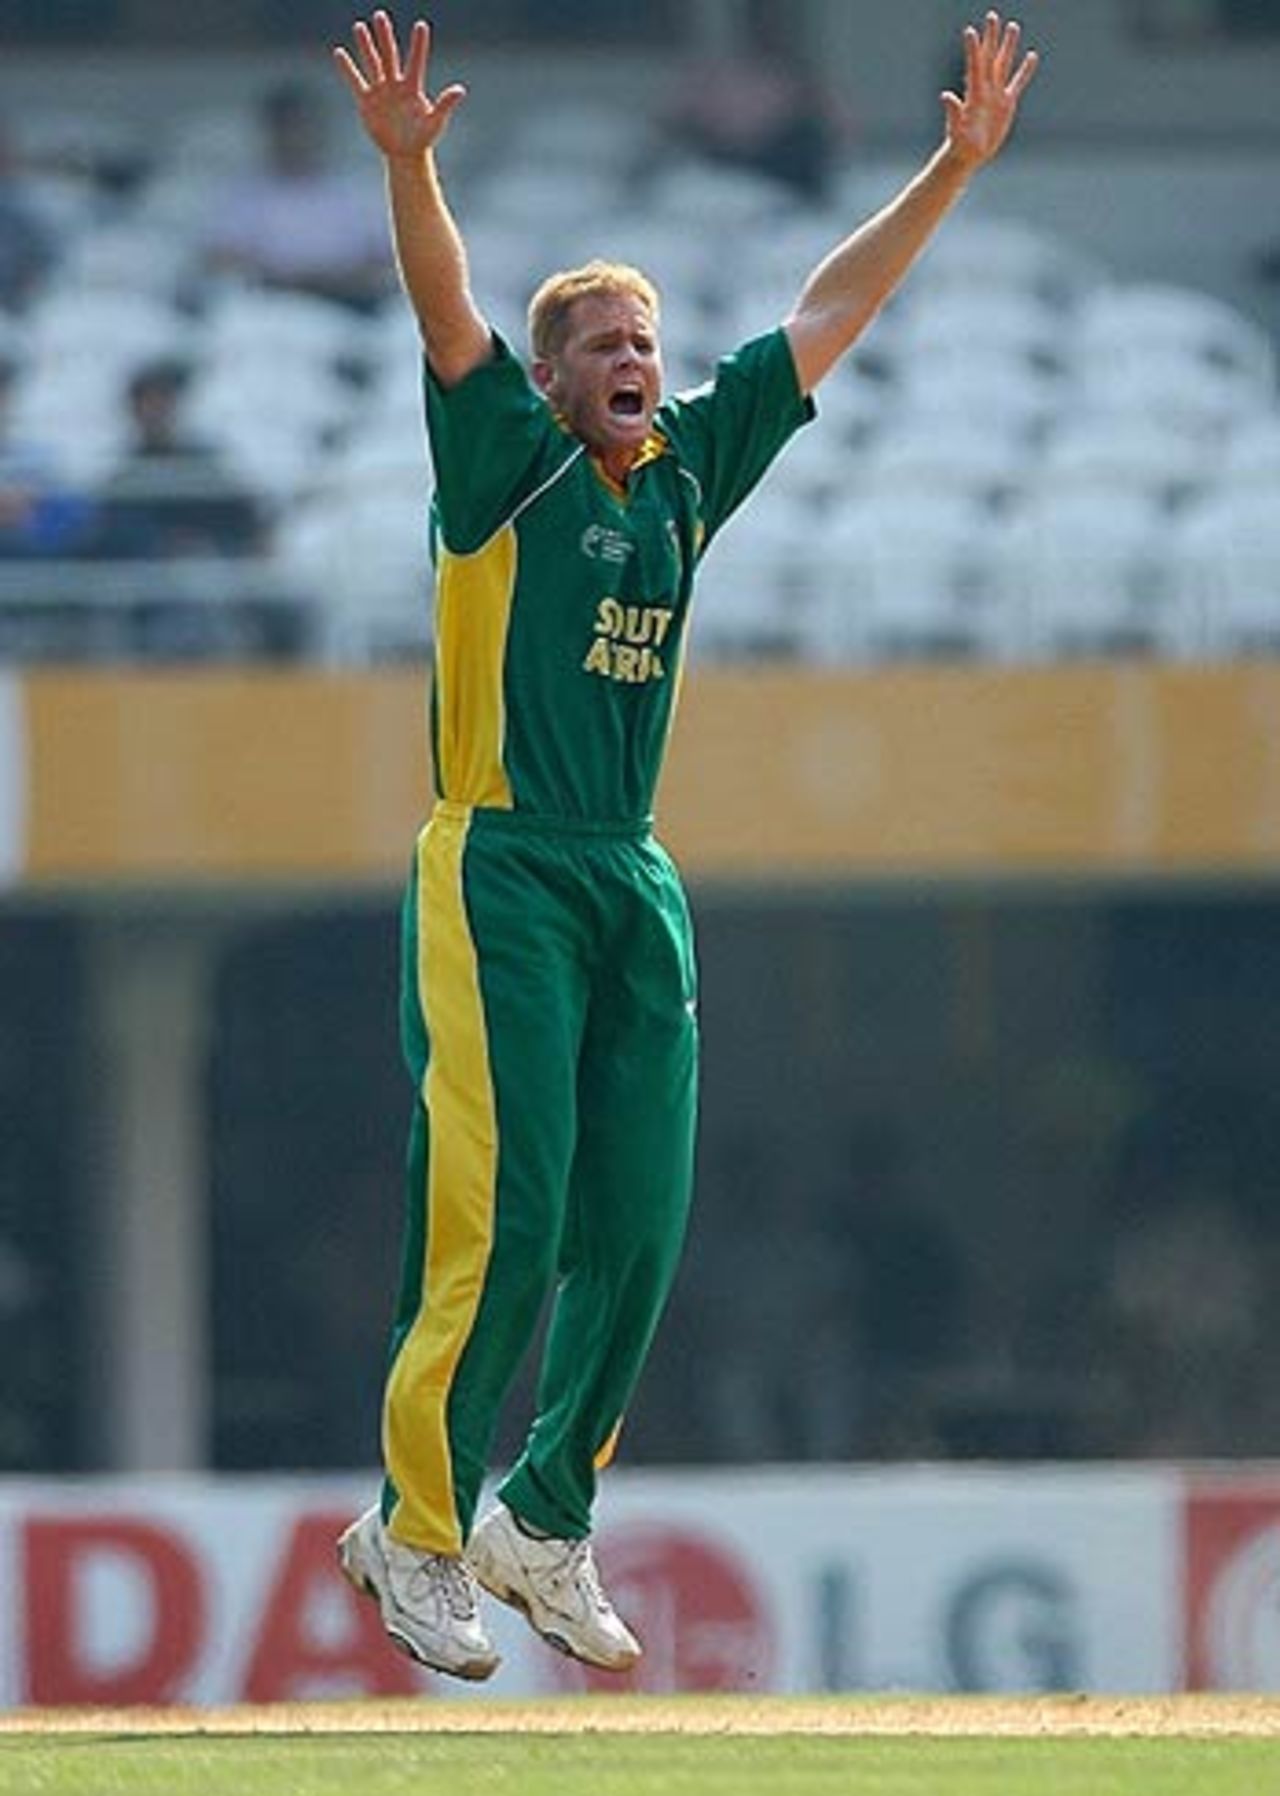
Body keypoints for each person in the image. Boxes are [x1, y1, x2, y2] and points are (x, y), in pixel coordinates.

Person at [331, 8, 1038, 1683]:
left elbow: (828, 311)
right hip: (499, 857)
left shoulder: (687, 477)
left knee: (638, 1214)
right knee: (506, 1213)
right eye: (602, 343)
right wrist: (413, 172)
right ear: (556, 373)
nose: (634, 358)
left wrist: (950, 164)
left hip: (630, 871)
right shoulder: (502, 459)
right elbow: (445, 314)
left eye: (645, 337)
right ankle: (413, 1528)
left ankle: (543, 1518)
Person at [200, 79, 396, 311]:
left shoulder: (356, 189)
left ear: (321, 131)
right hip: (269, 304)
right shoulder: (243, 193)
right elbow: (220, 258)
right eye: (288, 128)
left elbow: (387, 257)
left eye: (304, 128)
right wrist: (286, 278)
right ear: (271, 133)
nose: (297, 138)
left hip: (347, 304)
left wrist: (332, 279)